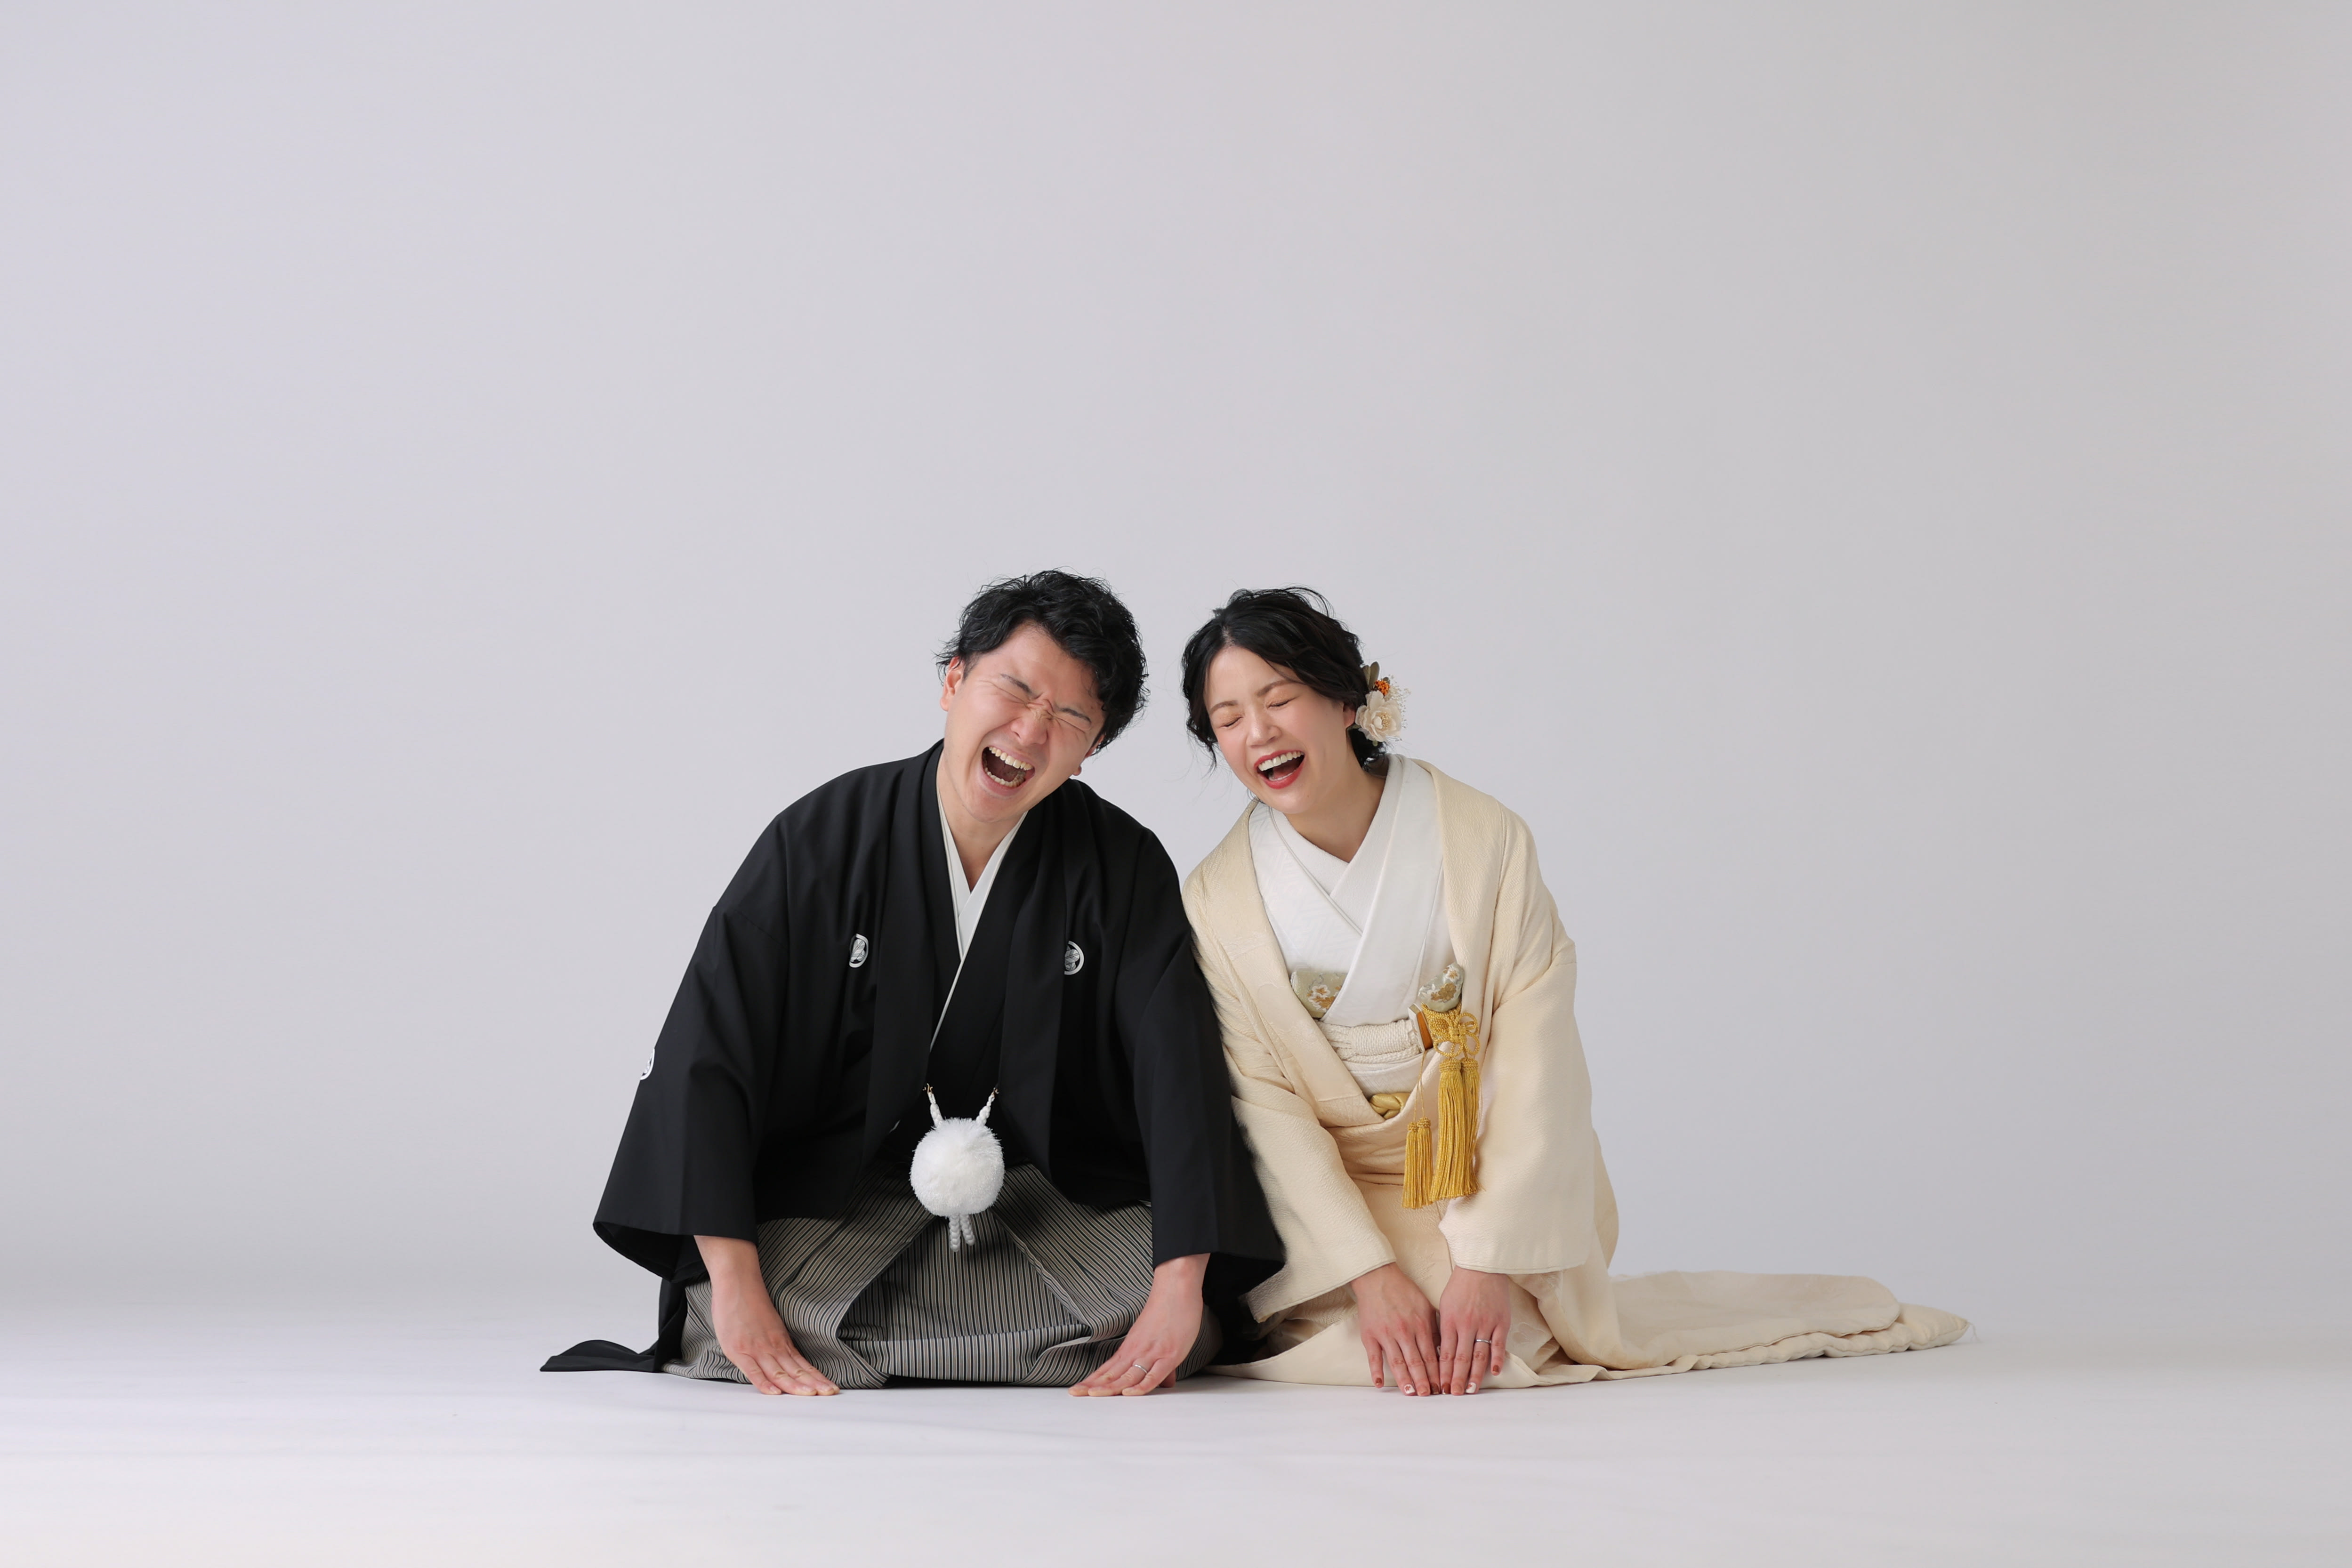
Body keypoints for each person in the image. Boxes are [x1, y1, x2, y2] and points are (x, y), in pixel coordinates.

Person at [1178, 587, 1965, 1394]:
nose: (1258, 733)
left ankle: (1501, 1277)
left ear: (1347, 701)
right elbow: (1265, 1105)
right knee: (1374, 1345)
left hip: (1479, 1174)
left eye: (1280, 699)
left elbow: (1534, 1058)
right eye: (1228, 719)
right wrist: (1368, 1276)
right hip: (1339, 1214)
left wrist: (1489, 1260)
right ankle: (1373, 1291)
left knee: (1500, 1340)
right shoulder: (1218, 899)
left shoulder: (1483, 839)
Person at [546, 571, 1281, 1395]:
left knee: (1152, 1301)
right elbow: (708, 1053)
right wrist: (735, 1283)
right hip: (841, 1198)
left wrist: (1179, 1287)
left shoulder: (1122, 864)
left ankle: (891, 1340)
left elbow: (1177, 1075)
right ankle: (945, 1338)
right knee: (744, 1295)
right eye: (1015, 690)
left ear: (1092, 751)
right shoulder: (821, 838)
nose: (1030, 732)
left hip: (1043, 1202)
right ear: (954, 680)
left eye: (1071, 718)